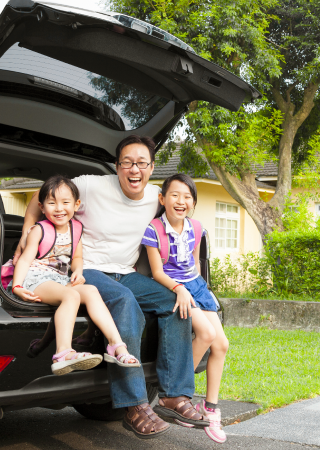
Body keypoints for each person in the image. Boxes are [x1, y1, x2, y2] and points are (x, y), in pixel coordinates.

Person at [14, 136, 208, 440]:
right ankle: (134, 405)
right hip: (87, 270)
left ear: (152, 167)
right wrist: (26, 237)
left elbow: (178, 220)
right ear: (117, 166)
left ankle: (174, 395)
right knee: (124, 300)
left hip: (126, 272)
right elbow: (41, 198)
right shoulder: (90, 185)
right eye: (127, 162)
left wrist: (187, 281)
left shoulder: (157, 197)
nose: (134, 169)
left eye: (141, 163)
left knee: (174, 302)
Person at [12, 175, 140, 375]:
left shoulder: (76, 229)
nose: (59, 208)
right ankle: (63, 353)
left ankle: (117, 346)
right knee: (71, 295)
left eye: (65, 202)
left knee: (91, 290)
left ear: (76, 205)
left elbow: (77, 257)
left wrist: (78, 271)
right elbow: (25, 260)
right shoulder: (39, 230)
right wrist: (17, 286)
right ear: (42, 207)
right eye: (52, 203)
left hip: (60, 279)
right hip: (36, 278)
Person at [142, 174, 229, 444]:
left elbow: (195, 262)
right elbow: (157, 272)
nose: (181, 201)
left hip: (196, 286)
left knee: (222, 345)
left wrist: (201, 288)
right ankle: (176, 396)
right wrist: (179, 289)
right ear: (162, 199)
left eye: (187, 196)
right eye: (175, 195)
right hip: (173, 287)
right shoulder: (154, 229)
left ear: (193, 202)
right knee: (206, 334)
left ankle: (210, 408)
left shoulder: (197, 227)